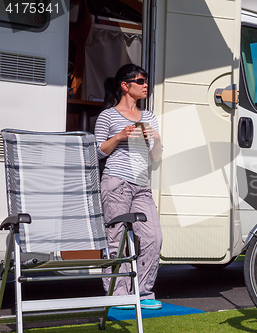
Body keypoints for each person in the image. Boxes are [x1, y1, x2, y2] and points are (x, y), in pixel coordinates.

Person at [94, 64, 163, 310]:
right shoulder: (108, 116)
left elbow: (156, 157)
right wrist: (119, 137)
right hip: (116, 183)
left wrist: (155, 140)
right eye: (142, 81)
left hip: (141, 185)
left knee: (154, 237)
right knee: (116, 240)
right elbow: (96, 153)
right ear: (126, 86)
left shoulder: (150, 117)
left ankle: (143, 292)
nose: (147, 85)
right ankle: (119, 294)